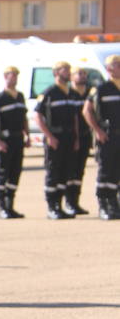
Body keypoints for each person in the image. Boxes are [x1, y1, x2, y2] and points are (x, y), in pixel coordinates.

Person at [35, 61, 79, 219]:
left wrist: (76, 138)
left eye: (68, 69)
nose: (68, 72)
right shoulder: (49, 92)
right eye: (64, 70)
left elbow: (75, 118)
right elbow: (37, 116)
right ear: (56, 73)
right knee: (53, 173)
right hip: (55, 138)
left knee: (65, 173)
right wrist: (49, 136)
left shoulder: (70, 93)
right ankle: (51, 207)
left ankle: (60, 206)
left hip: (68, 138)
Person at [0, 66, 29, 219]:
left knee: (15, 172)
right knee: (3, 173)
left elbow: (24, 118)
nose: (14, 78)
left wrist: (27, 135)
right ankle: (2, 208)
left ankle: (11, 207)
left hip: (18, 139)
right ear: (5, 77)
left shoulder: (20, 96)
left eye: (16, 75)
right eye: (11, 75)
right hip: (5, 140)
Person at [83, 54, 120, 219]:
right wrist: (98, 130)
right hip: (108, 136)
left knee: (117, 172)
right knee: (106, 171)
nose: (118, 67)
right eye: (116, 64)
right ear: (108, 69)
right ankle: (103, 205)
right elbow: (87, 110)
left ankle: (114, 203)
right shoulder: (101, 88)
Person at [66, 66, 91, 215]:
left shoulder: (89, 93)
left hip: (85, 136)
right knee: (71, 170)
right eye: (79, 74)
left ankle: (76, 202)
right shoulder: (69, 93)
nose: (82, 76)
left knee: (80, 170)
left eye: (84, 74)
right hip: (71, 138)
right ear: (72, 77)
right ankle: (69, 202)